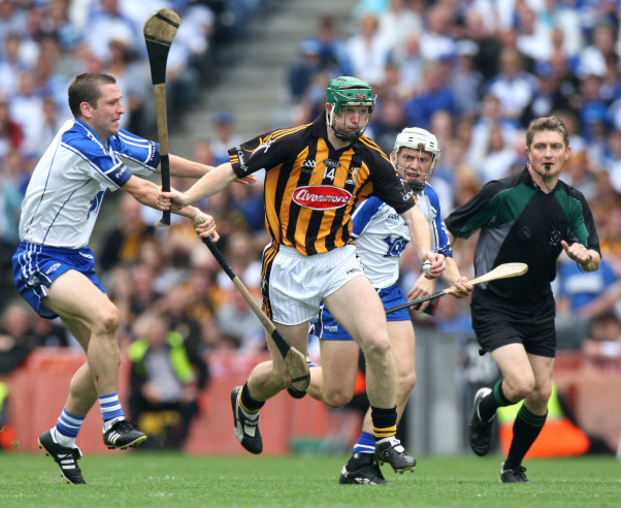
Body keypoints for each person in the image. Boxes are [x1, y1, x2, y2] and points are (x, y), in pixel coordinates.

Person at [162, 76, 446, 475]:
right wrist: (187, 199)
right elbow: (229, 171)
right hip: (287, 264)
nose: (355, 119)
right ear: (329, 108)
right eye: (348, 111)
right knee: (289, 373)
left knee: (378, 341)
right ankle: (246, 401)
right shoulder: (290, 141)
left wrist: (427, 252)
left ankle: (384, 437)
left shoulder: (370, 156)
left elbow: (412, 212)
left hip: (338, 260)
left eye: (363, 112)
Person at [11, 72, 220, 485]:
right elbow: (142, 190)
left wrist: (218, 173)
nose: (122, 108)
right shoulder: (79, 141)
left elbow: (159, 161)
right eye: (112, 102)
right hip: (40, 256)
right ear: (87, 109)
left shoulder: (109, 138)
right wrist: (195, 212)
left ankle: (62, 435)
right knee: (108, 318)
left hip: (75, 257)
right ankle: (113, 422)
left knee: (104, 358)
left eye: (121, 101)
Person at [307, 127, 472, 484]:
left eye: (423, 159)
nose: (414, 165)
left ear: (432, 164)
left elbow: (441, 252)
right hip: (346, 290)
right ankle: (292, 372)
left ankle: (363, 458)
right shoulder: (374, 195)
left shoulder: (429, 198)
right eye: (408, 157)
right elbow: (337, 239)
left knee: (405, 378)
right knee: (338, 393)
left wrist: (453, 279)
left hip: (388, 292)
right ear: (394, 157)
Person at [444, 116, 601, 483]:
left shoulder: (573, 202)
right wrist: (449, 272)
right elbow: (452, 229)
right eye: (541, 147)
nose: (548, 154)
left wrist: (583, 257)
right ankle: (487, 403)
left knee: (540, 394)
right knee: (519, 384)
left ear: (567, 154)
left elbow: (594, 259)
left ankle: (512, 466)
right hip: (494, 302)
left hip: (539, 305)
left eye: (555, 147)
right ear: (527, 152)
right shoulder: (501, 192)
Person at [128, 312, 209, 450]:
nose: (154, 337)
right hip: (153, 396)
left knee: (190, 405)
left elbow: (203, 367)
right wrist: (144, 388)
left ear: (164, 332)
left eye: (157, 333)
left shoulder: (179, 346)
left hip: (178, 394)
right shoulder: (140, 351)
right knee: (133, 400)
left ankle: (179, 442)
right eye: (151, 334)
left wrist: (195, 389)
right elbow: (134, 380)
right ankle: (139, 442)